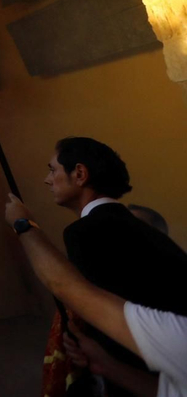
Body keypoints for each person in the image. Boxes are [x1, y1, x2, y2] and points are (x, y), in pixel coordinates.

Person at [40, 137, 187, 397]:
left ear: (80, 173)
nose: (47, 180)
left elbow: (99, 312)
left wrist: (23, 226)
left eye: (53, 170)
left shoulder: (87, 232)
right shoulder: (135, 226)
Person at [7, 194, 187, 397]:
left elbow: (64, 284)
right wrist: (105, 365)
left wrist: (23, 224)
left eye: (132, 237)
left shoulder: (172, 320)